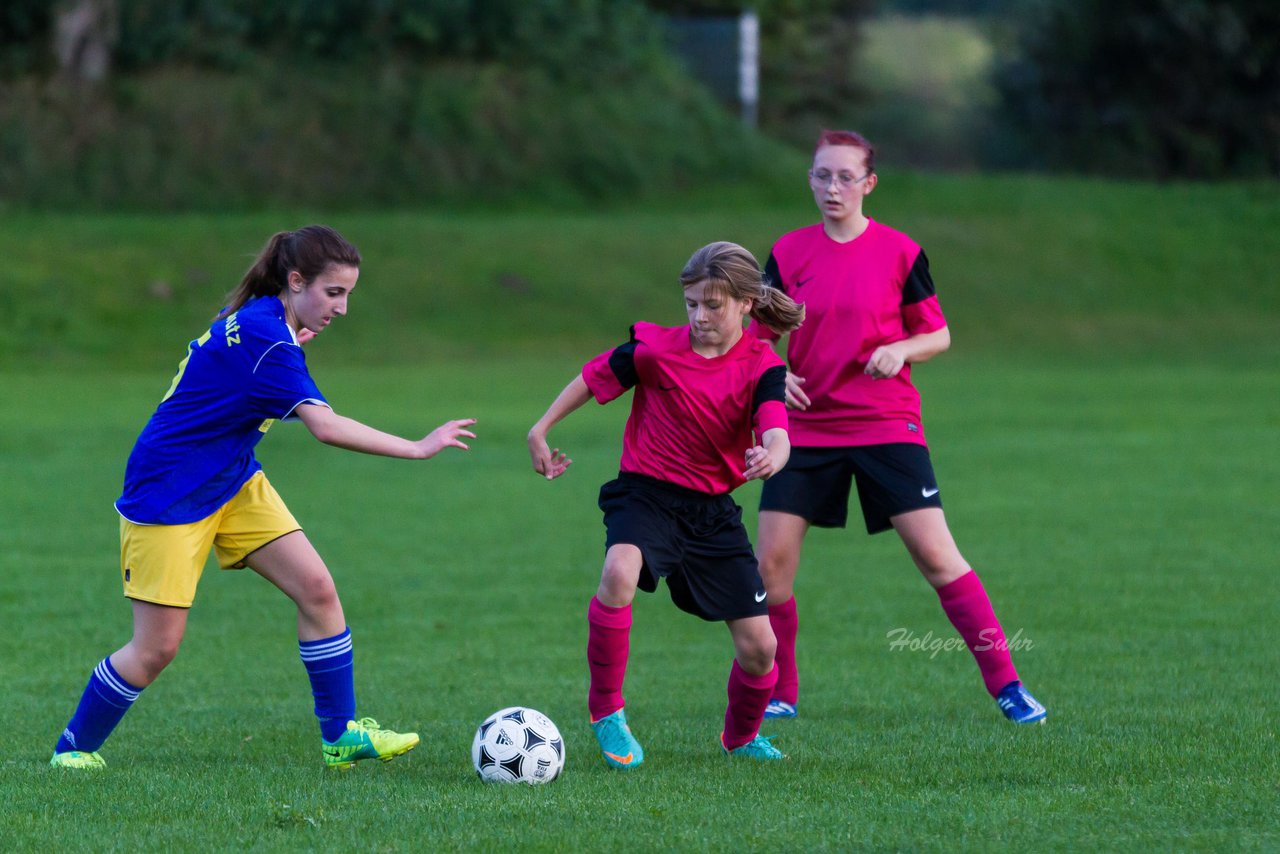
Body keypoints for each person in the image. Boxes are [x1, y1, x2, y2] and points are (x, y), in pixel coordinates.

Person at [50, 225, 477, 771]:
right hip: (170, 491)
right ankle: (73, 749)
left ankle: (340, 736)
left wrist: (291, 345)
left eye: (348, 294)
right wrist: (418, 447)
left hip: (231, 479)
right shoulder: (269, 341)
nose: (343, 308)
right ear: (296, 281)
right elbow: (325, 427)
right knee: (156, 649)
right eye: (334, 293)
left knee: (318, 590)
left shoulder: (263, 320)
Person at [749, 130, 1047, 724]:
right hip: (806, 430)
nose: (831, 188)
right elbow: (758, 340)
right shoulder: (788, 252)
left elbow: (939, 333)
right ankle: (782, 692)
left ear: (869, 184)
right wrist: (776, 378)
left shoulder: (900, 252)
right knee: (770, 569)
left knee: (939, 559)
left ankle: (1008, 685)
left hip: (886, 424)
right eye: (820, 176)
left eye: (844, 177)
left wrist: (903, 349)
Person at [527, 242, 806, 766]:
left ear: (747, 303)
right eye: (691, 304)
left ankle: (741, 738)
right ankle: (607, 714)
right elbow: (592, 378)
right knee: (618, 573)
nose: (700, 316)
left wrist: (773, 455)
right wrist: (541, 428)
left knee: (760, 648)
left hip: (712, 513)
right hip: (646, 493)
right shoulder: (655, 350)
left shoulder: (763, 366)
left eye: (713, 305)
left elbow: (776, 426)